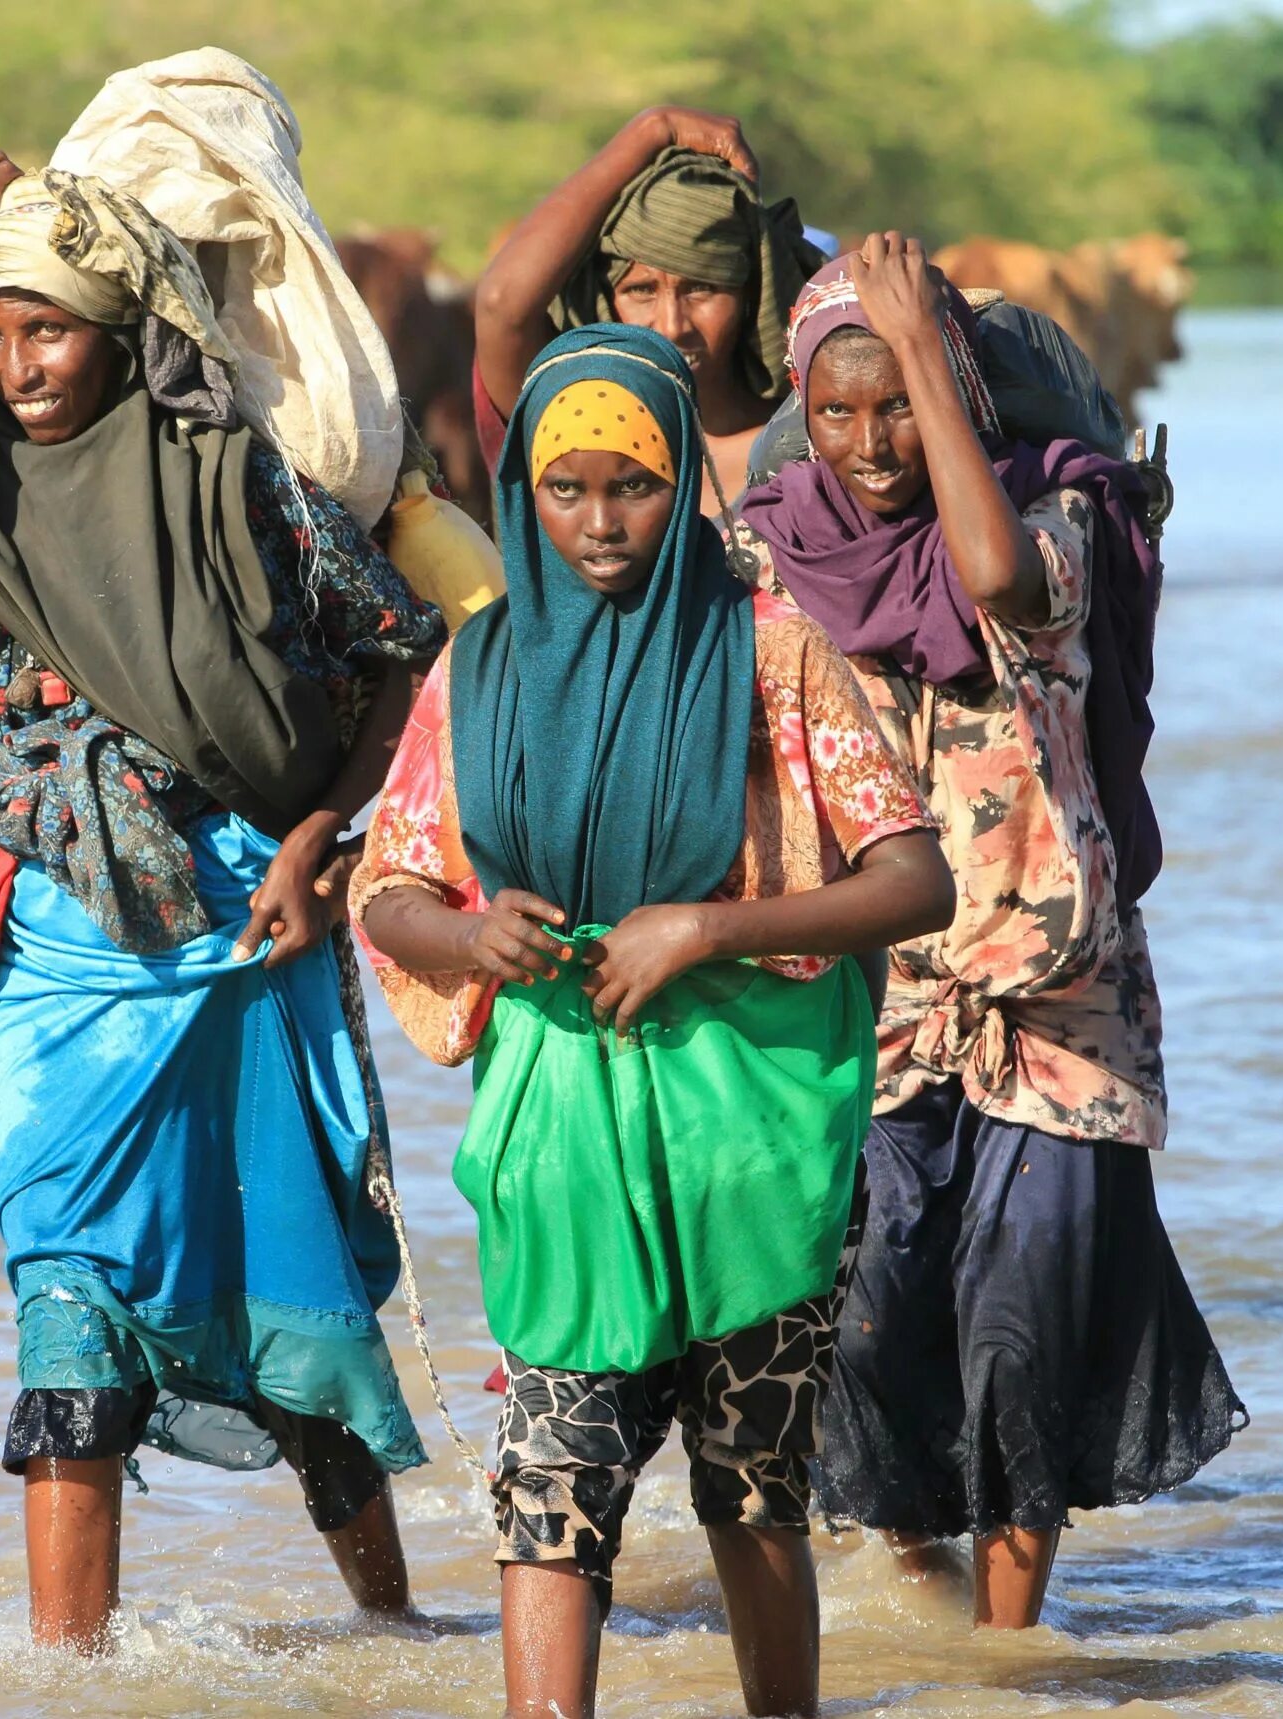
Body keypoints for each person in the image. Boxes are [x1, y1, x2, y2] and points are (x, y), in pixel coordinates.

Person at [0, 153, 448, 1651]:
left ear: (119, 331)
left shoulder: (233, 478)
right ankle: (70, 1678)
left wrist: (319, 838)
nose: (18, 368)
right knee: (68, 1314)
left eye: (49, 330)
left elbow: (398, 657)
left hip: (247, 923)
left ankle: (397, 1635)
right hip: (59, 946)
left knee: (290, 1297)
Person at [351, 322, 954, 1717]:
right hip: (564, 1132)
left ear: (683, 480)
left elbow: (913, 879)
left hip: (752, 1133)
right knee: (550, 1483)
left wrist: (705, 927)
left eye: (632, 485)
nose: (600, 520)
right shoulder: (478, 669)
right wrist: (470, 934)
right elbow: (389, 889)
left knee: (754, 1486)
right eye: (565, 489)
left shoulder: (771, 653)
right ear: (523, 495)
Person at [738, 233, 1245, 1628]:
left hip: (1051, 998)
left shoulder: (1057, 517)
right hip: (866, 1005)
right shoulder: (770, 553)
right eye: (836, 410)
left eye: (902, 403)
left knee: (1022, 1333)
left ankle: (1004, 1662)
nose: (870, 444)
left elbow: (989, 577)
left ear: (956, 393)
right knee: (860, 1320)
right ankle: (921, 1575)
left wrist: (920, 342)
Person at [473, 107, 823, 514]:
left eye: (702, 289)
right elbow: (502, 306)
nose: (672, 327)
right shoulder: (570, 427)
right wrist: (652, 129)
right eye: (641, 291)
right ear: (605, 300)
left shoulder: (812, 437)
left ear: (751, 296)